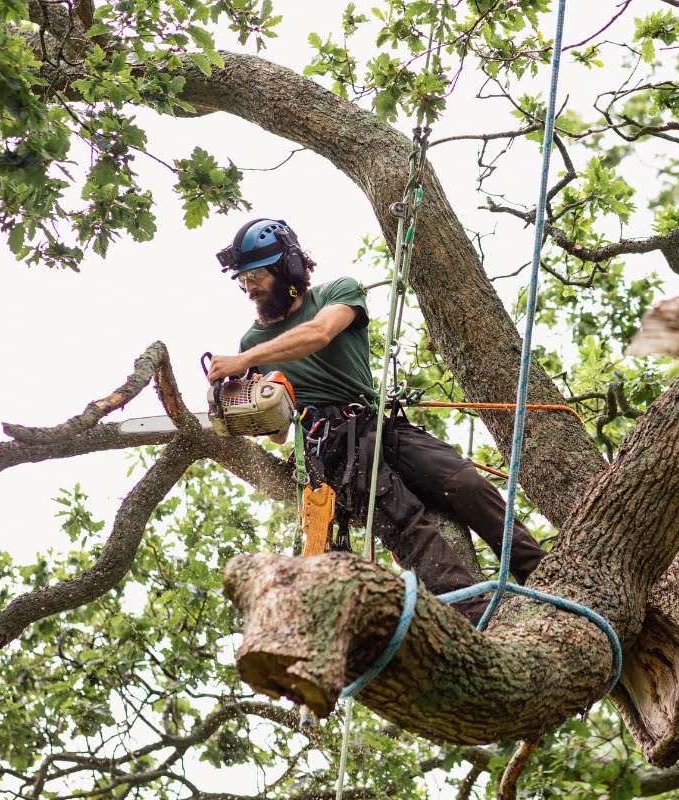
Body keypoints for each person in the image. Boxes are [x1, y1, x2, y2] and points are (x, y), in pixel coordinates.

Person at [206, 218, 547, 624]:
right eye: (243, 279)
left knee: (466, 482)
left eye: (257, 275)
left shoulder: (337, 293)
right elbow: (280, 435)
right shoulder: (253, 343)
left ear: (290, 269)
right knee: (408, 524)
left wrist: (245, 361)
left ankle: (544, 576)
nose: (250, 288)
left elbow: (318, 334)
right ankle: (478, 619)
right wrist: (249, 403)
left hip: (377, 424)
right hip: (331, 445)